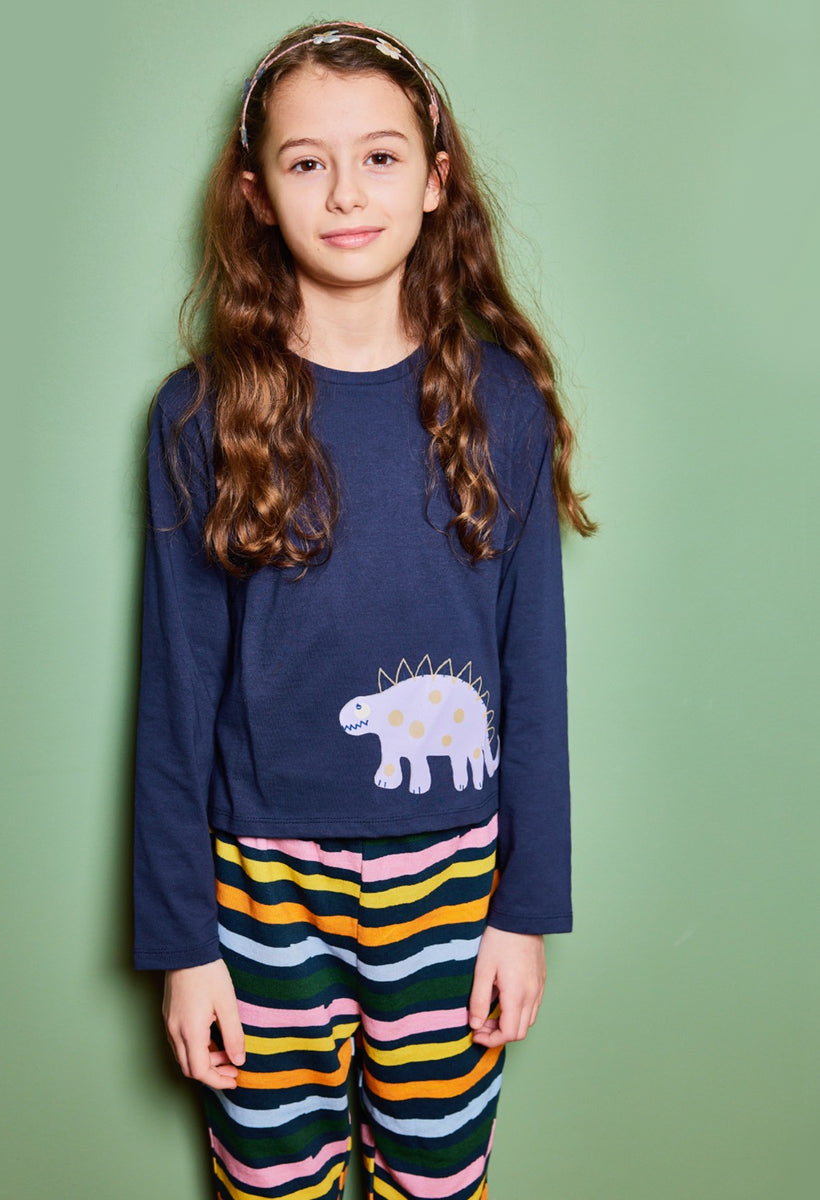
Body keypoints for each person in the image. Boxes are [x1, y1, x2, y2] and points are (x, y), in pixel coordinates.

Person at [133, 18, 594, 1200]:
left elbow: (533, 670)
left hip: (456, 883)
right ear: (255, 194)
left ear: (435, 182)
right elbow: (176, 699)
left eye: (380, 157)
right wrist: (184, 946)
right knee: (270, 1178)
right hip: (258, 886)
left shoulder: (500, 404)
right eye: (307, 162)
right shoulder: (198, 418)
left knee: (437, 1179)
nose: (346, 192)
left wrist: (525, 911)